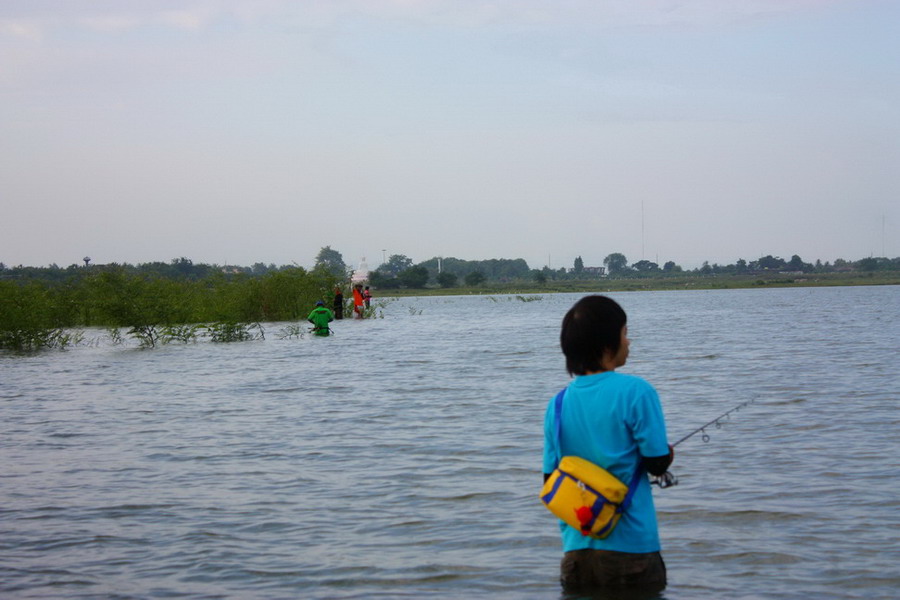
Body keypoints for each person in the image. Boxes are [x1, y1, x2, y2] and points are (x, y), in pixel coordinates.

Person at [543, 295, 674, 594]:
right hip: (632, 550)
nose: (629, 342)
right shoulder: (637, 391)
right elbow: (656, 462)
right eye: (625, 333)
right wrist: (668, 454)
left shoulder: (557, 404)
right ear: (606, 345)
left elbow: (549, 480)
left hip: (576, 553)